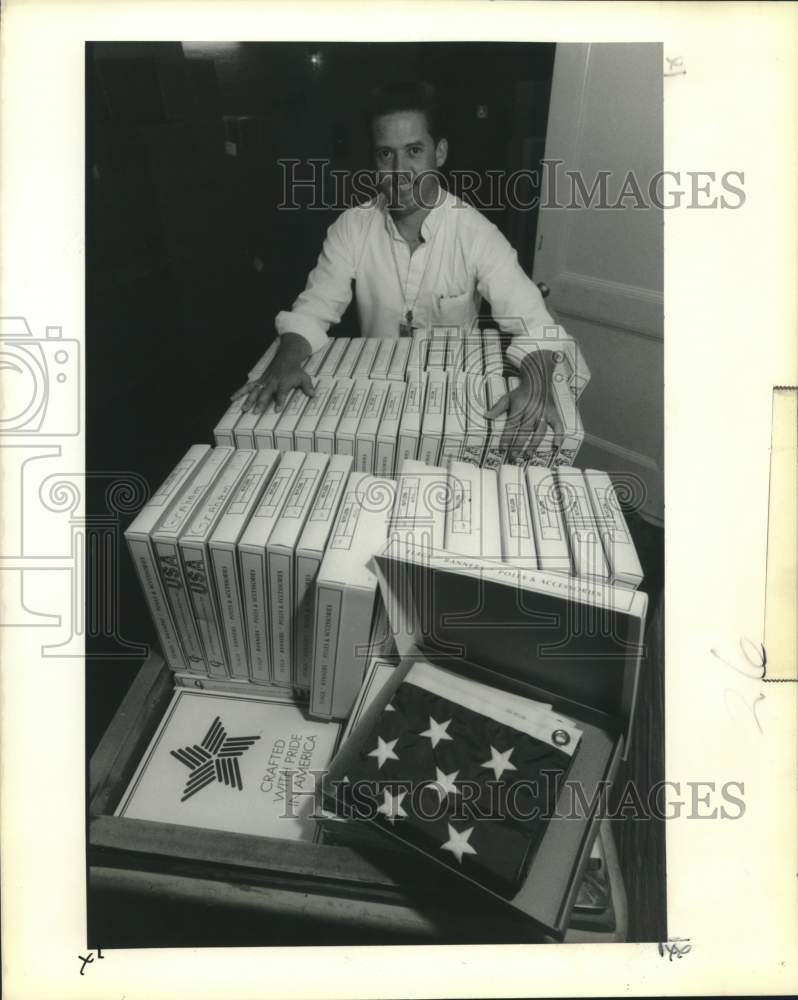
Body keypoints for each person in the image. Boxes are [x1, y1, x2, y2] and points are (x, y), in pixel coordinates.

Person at [232, 80, 574, 461]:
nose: (400, 171)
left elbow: (534, 322)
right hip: (374, 405)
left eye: (414, 151)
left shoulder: (476, 233)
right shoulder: (352, 226)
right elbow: (314, 308)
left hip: (454, 406)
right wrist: (286, 359)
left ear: (439, 152)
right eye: (385, 155)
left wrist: (538, 382)